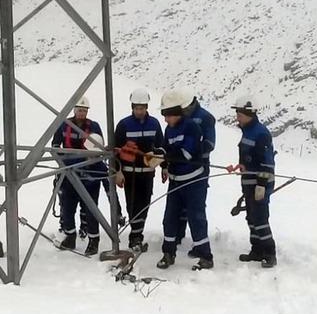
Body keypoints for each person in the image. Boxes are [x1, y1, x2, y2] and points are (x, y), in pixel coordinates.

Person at [148, 90, 213, 270]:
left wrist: (165, 156)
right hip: (176, 181)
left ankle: (205, 255)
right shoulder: (169, 129)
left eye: (166, 115)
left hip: (193, 181)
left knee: (196, 217)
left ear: (175, 112)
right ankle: (168, 253)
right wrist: (159, 156)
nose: (164, 119)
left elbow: (186, 153)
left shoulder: (192, 127)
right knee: (170, 218)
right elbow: (167, 147)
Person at [52, 96, 107, 256]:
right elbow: (55, 146)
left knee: (90, 208)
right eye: (79, 110)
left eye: (84, 110)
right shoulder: (64, 124)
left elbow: (99, 147)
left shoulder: (94, 126)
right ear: (74, 110)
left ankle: (93, 239)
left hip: (90, 173)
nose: (82, 113)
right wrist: (63, 163)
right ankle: (70, 236)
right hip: (69, 173)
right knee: (67, 207)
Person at [227, 97, 277, 268]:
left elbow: (267, 162)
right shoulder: (248, 131)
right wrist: (243, 165)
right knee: (251, 217)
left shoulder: (260, 133)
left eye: (239, 115)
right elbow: (250, 157)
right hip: (248, 181)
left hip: (259, 184)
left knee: (260, 218)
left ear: (249, 114)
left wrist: (261, 184)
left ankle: (269, 253)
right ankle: (256, 250)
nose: (237, 118)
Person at [113, 88, 163, 250]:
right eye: (137, 108)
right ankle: (135, 237)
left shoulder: (154, 124)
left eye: (142, 108)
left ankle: (137, 235)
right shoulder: (124, 125)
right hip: (129, 173)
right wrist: (117, 171)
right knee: (132, 205)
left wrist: (165, 167)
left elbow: (161, 148)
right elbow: (115, 151)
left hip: (148, 173)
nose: (140, 111)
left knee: (145, 204)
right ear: (132, 107)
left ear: (147, 107)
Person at [177, 93, 216, 253]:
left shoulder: (205, 118)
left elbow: (210, 143)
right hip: (180, 166)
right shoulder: (182, 116)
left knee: (196, 206)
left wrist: (193, 153)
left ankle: (201, 245)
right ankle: (178, 234)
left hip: (199, 166)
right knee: (179, 204)